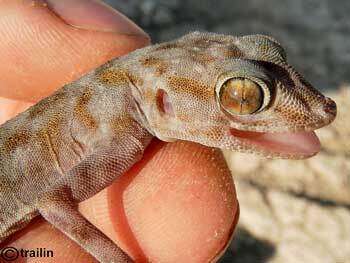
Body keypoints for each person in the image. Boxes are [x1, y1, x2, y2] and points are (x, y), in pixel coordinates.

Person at [0, 0, 238, 262]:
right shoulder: (125, 128)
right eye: (244, 98)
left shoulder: (123, 96)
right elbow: (54, 203)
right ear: (163, 99)